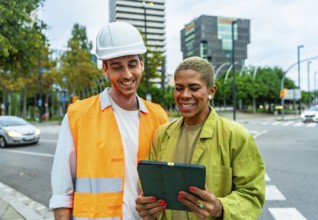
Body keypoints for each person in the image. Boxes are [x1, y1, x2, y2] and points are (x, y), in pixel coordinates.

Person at [49, 21, 168, 220]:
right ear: (105, 68)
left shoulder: (159, 116)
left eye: (132, 64)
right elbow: (62, 191)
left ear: (142, 64)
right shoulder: (78, 115)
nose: (127, 74)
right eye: (117, 67)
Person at [135, 56, 265, 219]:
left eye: (194, 88)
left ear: (212, 91)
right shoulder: (162, 135)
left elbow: (252, 195)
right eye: (179, 88)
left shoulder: (236, 136)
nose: (185, 95)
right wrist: (147, 205)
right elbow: (149, 185)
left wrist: (220, 208)